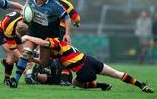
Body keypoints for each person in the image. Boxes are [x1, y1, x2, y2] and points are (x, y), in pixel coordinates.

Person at [12, 35, 154, 93]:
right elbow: (44, 61)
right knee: (116, 73)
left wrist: (27, 37)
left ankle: (100, 85)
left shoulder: (54, 41)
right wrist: (34, 60)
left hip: (84, 70)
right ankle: (141, 85)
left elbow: (43, 43)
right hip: (91, 60)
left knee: (75, 82)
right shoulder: (61, 46)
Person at [7, 0, 71, 87]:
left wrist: (67, 34)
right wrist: (25, 13)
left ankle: (44, 69)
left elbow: (67, 17)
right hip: (34, 30)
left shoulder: (54, 4)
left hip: (49, 34)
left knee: (44, 62)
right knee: (26, 52)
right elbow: (27, 5)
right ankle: (15, 79)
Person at [0, 11, 28, 85]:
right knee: (12, 55)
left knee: (22, 53)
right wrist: (24, 62)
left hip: (13, 31)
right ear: (16, 29)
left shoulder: (26, 18)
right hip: (2, 33)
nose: (20, 37)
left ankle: (6, 63)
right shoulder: (9, 30)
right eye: (19, 35)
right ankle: (6, 79)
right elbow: (14, 49)